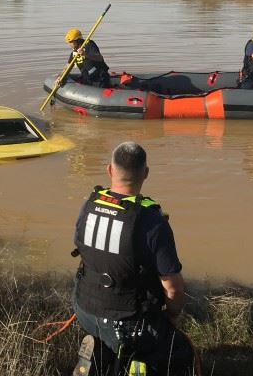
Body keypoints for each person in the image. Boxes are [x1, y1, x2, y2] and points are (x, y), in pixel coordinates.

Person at [71, 142, 195, 376]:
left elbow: (84, 249)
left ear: (109, 170)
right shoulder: (152, 221)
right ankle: (138, 362)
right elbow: (174, 289)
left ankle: (99, 355)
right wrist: (171, 316)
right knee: (176, 352)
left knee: (111, 342)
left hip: (84, 309)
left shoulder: (88, 205)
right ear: (145, 173)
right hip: (130, 324)